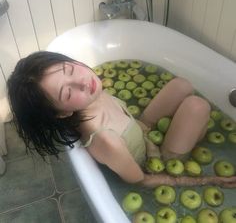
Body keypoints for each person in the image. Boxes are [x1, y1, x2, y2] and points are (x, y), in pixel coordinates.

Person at [7, 51, 236, 188]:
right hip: (154, 161)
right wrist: (203, 180)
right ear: (63, 113)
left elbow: (126, 117)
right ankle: (178, 146)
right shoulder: (105, 140)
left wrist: (146, 135)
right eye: (67, 93)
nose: (83, 81)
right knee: (197, 106)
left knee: (182, 85)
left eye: (69, 69)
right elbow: (140, 180)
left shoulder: (92, 93)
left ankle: (165, 132)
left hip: (140, 129)